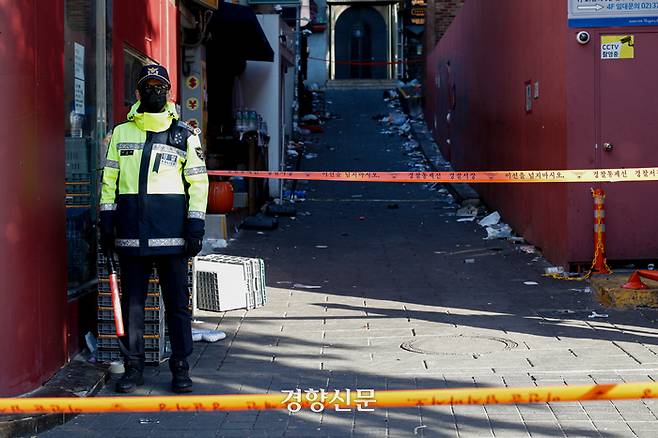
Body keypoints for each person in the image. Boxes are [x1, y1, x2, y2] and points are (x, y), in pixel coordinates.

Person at [99, 65, 208, 393]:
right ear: (137, 94)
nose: (154, 92)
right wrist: (106, 222)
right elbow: (109, 181)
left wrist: (195, 226)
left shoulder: (185, 135)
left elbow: (199, 182)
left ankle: (180, 366)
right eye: (148, 87)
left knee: (177, 304)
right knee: (134, 304)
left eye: (160, 87)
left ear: (170, 93)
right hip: (131, 234)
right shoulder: (120, 134)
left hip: (173, 235)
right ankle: (133, 367)